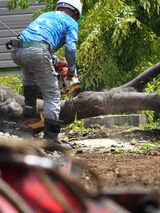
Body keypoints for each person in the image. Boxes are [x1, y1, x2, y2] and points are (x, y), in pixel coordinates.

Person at [9, 0, 82, 142]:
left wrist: (55, 61)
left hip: (17, 51)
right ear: (75, 14)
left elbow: (37, 43)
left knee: (30, 88)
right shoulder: (70, 22)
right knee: (52, 96)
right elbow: (71, 49)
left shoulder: (46, 15)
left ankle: (24, 126)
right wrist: (71, 72)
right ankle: (51, 139)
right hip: (35, 52)